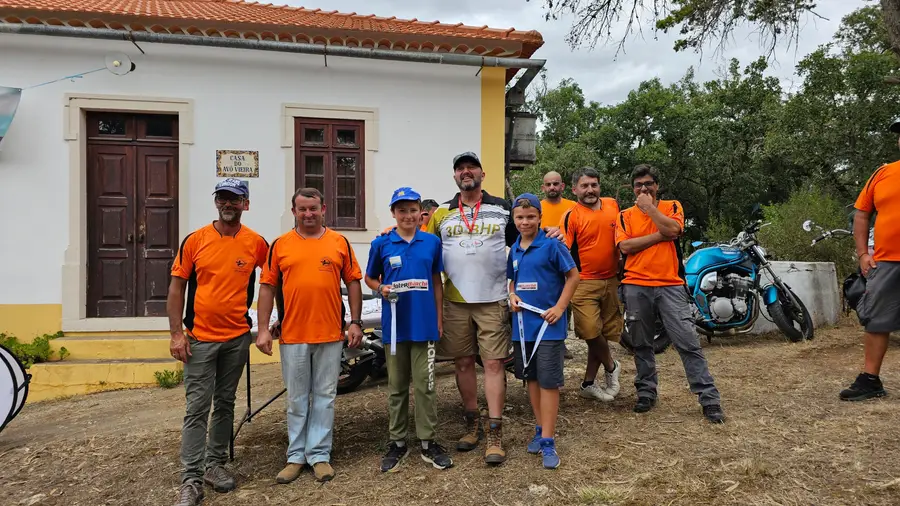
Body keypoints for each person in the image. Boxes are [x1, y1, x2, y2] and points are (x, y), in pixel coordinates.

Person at [167, 179, 269, 506]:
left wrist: (273, 321)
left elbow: (275, 279)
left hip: (236, 338)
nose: (229, 203)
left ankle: (215, 465)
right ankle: (191, 479)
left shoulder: (256, 243)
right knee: (197, 408)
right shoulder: (195, 240)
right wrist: (175, 334)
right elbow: (176, 288)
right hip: (198, 339)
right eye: (223, 198)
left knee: (225, 404)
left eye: (235, 199)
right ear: (216, 202)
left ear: (246, 204)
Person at [255, 187, 364, 483]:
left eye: (313, 208)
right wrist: (264, 328)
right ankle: (295, 455)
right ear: (294, 212)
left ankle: (319, 455)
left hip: (329, 332)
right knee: (297, 397)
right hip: (293, 334)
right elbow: (267, 286)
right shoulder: (281, 245)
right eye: (302, 209)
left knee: (326, 396)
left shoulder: (338, 242)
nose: (308, 214)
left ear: (323, 209)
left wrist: (355, 322)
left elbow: (353, 282)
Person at [426, 151, 518, 464]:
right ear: (455, 176)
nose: (466, 172)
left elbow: (522, 244)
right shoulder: (441, 214)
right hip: (454, 301)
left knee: (493, 364)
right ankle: (472, 423)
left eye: (471, 167)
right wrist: (394, 233)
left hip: (493, 299)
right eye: (460, 168)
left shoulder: (503, 208)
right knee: (463, 363)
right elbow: (426, 250)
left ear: (482, 173)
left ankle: (495, 432)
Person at [615, 165, 725, 423]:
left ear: (657, 186)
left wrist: (650, 209)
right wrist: (659, 235)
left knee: (687, 341)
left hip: (670, 285)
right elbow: (625, 246)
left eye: (648, 184)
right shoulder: (624, 215)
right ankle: (646, 392)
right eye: (639, 185)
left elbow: (674, 231)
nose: (644, 188)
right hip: (635, 284)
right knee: (641, 343)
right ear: (633, 188)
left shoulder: (672, 206)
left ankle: (709, 398)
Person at [364, 187, 453, 472]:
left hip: (424, 325)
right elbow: (369, 278)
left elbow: (437, 282)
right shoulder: (382, 244)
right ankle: (398, 442)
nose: (407, 215)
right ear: (394, 213)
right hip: (395, 327)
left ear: (420, 213)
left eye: (412, 210)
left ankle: (428, 442)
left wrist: (439, 318)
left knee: (426, 385)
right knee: (397, 387)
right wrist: (381, 288)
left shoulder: (431, 242)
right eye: (401, 210)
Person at [507, 193, 579, 470]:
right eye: (520, 218)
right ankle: (539, 429)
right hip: (523, 327)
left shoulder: (552, 244)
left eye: (530, 217)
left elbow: (573, 276)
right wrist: (512, 296)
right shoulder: (514, 249)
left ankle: (549, 439)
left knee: (549, 382)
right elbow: (512, 283)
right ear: (514, 220)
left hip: (548, 327)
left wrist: (560, 308)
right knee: (532, 379)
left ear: (539, 217)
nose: (525, 222)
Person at [839, 119, 900, 401]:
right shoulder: (884, 173)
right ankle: (870, 380)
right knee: (877, 320)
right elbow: (861, 213)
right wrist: (863, 252)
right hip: (886, 261)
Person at [560, 167, 623, 402]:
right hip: (584, 282)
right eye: (584, 186)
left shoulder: (613, 205)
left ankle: (588, 383)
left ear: (599, 186)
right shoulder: (571, 215)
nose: (590, 190)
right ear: (575, 189)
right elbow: (564, 250)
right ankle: (611, 365)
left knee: (604, 333)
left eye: (594, 185)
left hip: (612, 279)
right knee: (589, 331)